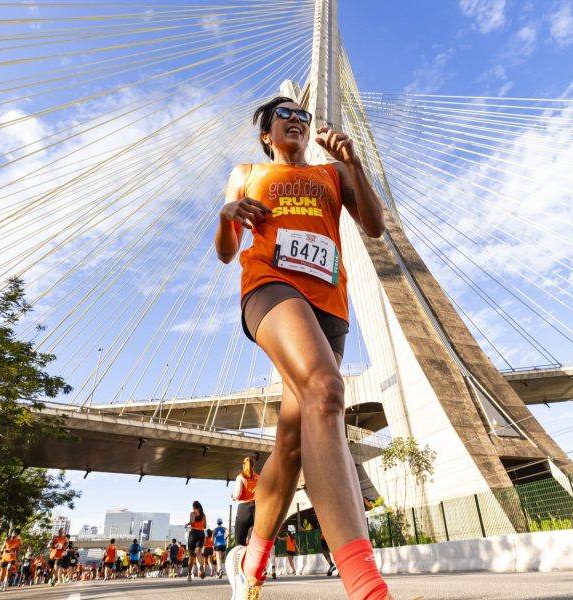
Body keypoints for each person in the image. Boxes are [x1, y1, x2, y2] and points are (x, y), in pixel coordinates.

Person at [216, 96, 393, 600]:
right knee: (325, 389)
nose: (296, 121)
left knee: (291, 445)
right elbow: (228, 252)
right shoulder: (246, 172)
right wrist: (228, 215)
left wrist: (355, 164)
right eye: (285, 116)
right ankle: (366, 588)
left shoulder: (334, 175)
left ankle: (249, 566)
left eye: (304, 117)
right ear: (267, 134)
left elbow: (375, 227)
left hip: (329, 305)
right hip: (270, 286)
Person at [231, 456, 259, 549]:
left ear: (243, 465)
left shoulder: (240, 477)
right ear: (253, 466)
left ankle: (240, 562)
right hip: (258, 508)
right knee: (257, 539)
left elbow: (237, 494)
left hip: (244, 510)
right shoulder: (258, 477)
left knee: (239, 541)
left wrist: (233, 497)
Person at [185, 501, 207, 581]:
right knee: (198, 552)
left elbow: (192, 521)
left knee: (191, 556)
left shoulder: (193, 513)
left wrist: (187, 524)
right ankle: (201, 567)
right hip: (201, 534)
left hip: (193, 534)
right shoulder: (203, 515)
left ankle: (189, 575)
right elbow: (204, 526)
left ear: (193, 507)